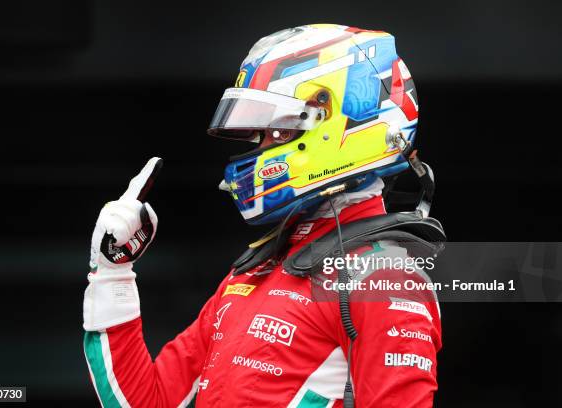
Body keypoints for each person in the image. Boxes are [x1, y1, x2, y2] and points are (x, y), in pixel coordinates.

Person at [83, 24, 445, 407]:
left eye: (276, 132)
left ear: (336, 124)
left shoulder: (384, 279)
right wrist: (113, 273)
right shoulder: (255, 272)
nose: (260, 149)